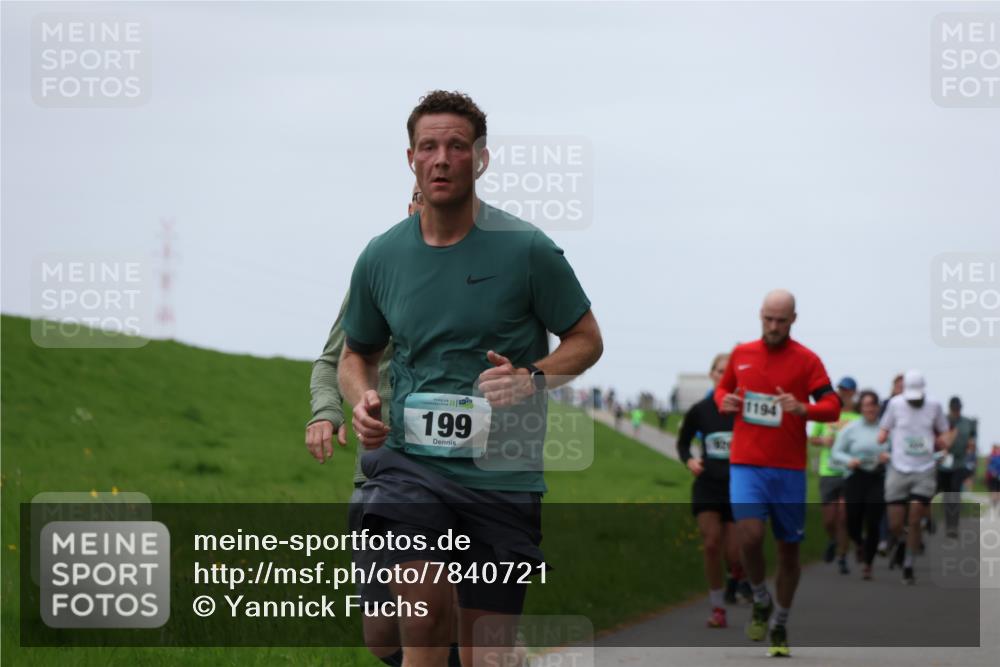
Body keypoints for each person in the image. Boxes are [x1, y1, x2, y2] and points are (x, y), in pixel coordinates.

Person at [339, 90, 603, 667]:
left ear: (480, 159)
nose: (441, 159)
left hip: (501, 476)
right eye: (428, 147)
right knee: (414, 626)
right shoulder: (381, 257)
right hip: (414, 470)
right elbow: (355, 352)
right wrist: (360, 400)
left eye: (456, 147)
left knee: (486, 655)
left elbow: (586, 341)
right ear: (410, 157)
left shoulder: (528, 249)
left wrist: (532, 376)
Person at [305, 186, 465, 667]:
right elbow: (332, 360)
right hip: (381, 472)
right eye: (418, 198)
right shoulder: (377, 278)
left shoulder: (481, 282)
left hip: (458, 473)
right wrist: (326, 412)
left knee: (426, 611)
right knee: (381, 633)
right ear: (410, 209)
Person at [716, 289, 841, 658]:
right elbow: (721, 391)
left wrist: (803, 408)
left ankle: (780, 622)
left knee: (789, 553)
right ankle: (758, 597)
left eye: (780, 321)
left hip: (788, 470)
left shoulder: (807, 360)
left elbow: (833, 406)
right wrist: (724, 400)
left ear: (793, 320)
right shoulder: (742, 354)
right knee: (750, 537)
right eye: (767, 319)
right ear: (760, 316)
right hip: (746, 464)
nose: (773, 327)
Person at [677, 353, 741, 628]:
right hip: (708, 486)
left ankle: (737, 576)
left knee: (735, 553)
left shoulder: (745, 410)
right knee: (712, 542)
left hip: (739, 488)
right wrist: (689, 460)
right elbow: (683, 443)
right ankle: (718, 609)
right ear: (712, 374)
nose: (723, 375)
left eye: (730, 372)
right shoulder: (700, 410)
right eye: (719, 371)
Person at [878, 370, 954, 585]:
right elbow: (884, 428)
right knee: (895, 522)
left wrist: (944, 442)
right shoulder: (895, 404)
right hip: (898, 466)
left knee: (914, 517)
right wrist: (882, 439)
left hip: (925, 468)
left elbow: (944, 431)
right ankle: (900, 541)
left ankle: (909, 565)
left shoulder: (934, 405)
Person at [831, 390, 889, 580]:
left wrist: (887, 457)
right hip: (855, 476)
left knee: (873, 520)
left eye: (873, 405)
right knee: (852, 519)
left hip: (877, 477)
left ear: (878, 407)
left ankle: (868, 564)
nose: (870, 409)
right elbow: (836, 452)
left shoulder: (886, 429)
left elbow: (897, 452)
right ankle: (860, 543)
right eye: (866, 405)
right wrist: (849, 460)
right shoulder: (851, 428)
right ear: (861, 408)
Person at [808, 376, 859, 574]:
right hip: (828, 471)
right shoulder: (827, 413)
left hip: (849, 472)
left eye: (848, 391)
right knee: (829, 520)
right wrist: (823, 441)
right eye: (841, 390)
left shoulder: (857, 418)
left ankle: (842, 557)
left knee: (843, 518)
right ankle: (833, 540)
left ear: (854, 393)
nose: (844, 394)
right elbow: (812, 438)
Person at [936, 396, 978, 538]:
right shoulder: (942, 421)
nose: (956, 411)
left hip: (959, 463)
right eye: (954, 409)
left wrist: (972, 454)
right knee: (940, 491)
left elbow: (973, 441)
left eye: (958, 408)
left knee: (954, 492)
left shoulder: (968, 423)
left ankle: (952, 526)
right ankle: (929, 520)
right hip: (942, 464)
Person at [986, 445, 1000, 514]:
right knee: (993, 490)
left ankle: (996, 502)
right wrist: (992, 471)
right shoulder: (991, 457)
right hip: (993, 476)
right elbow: (989, 466)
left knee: (998, 490)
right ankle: (993, 502)